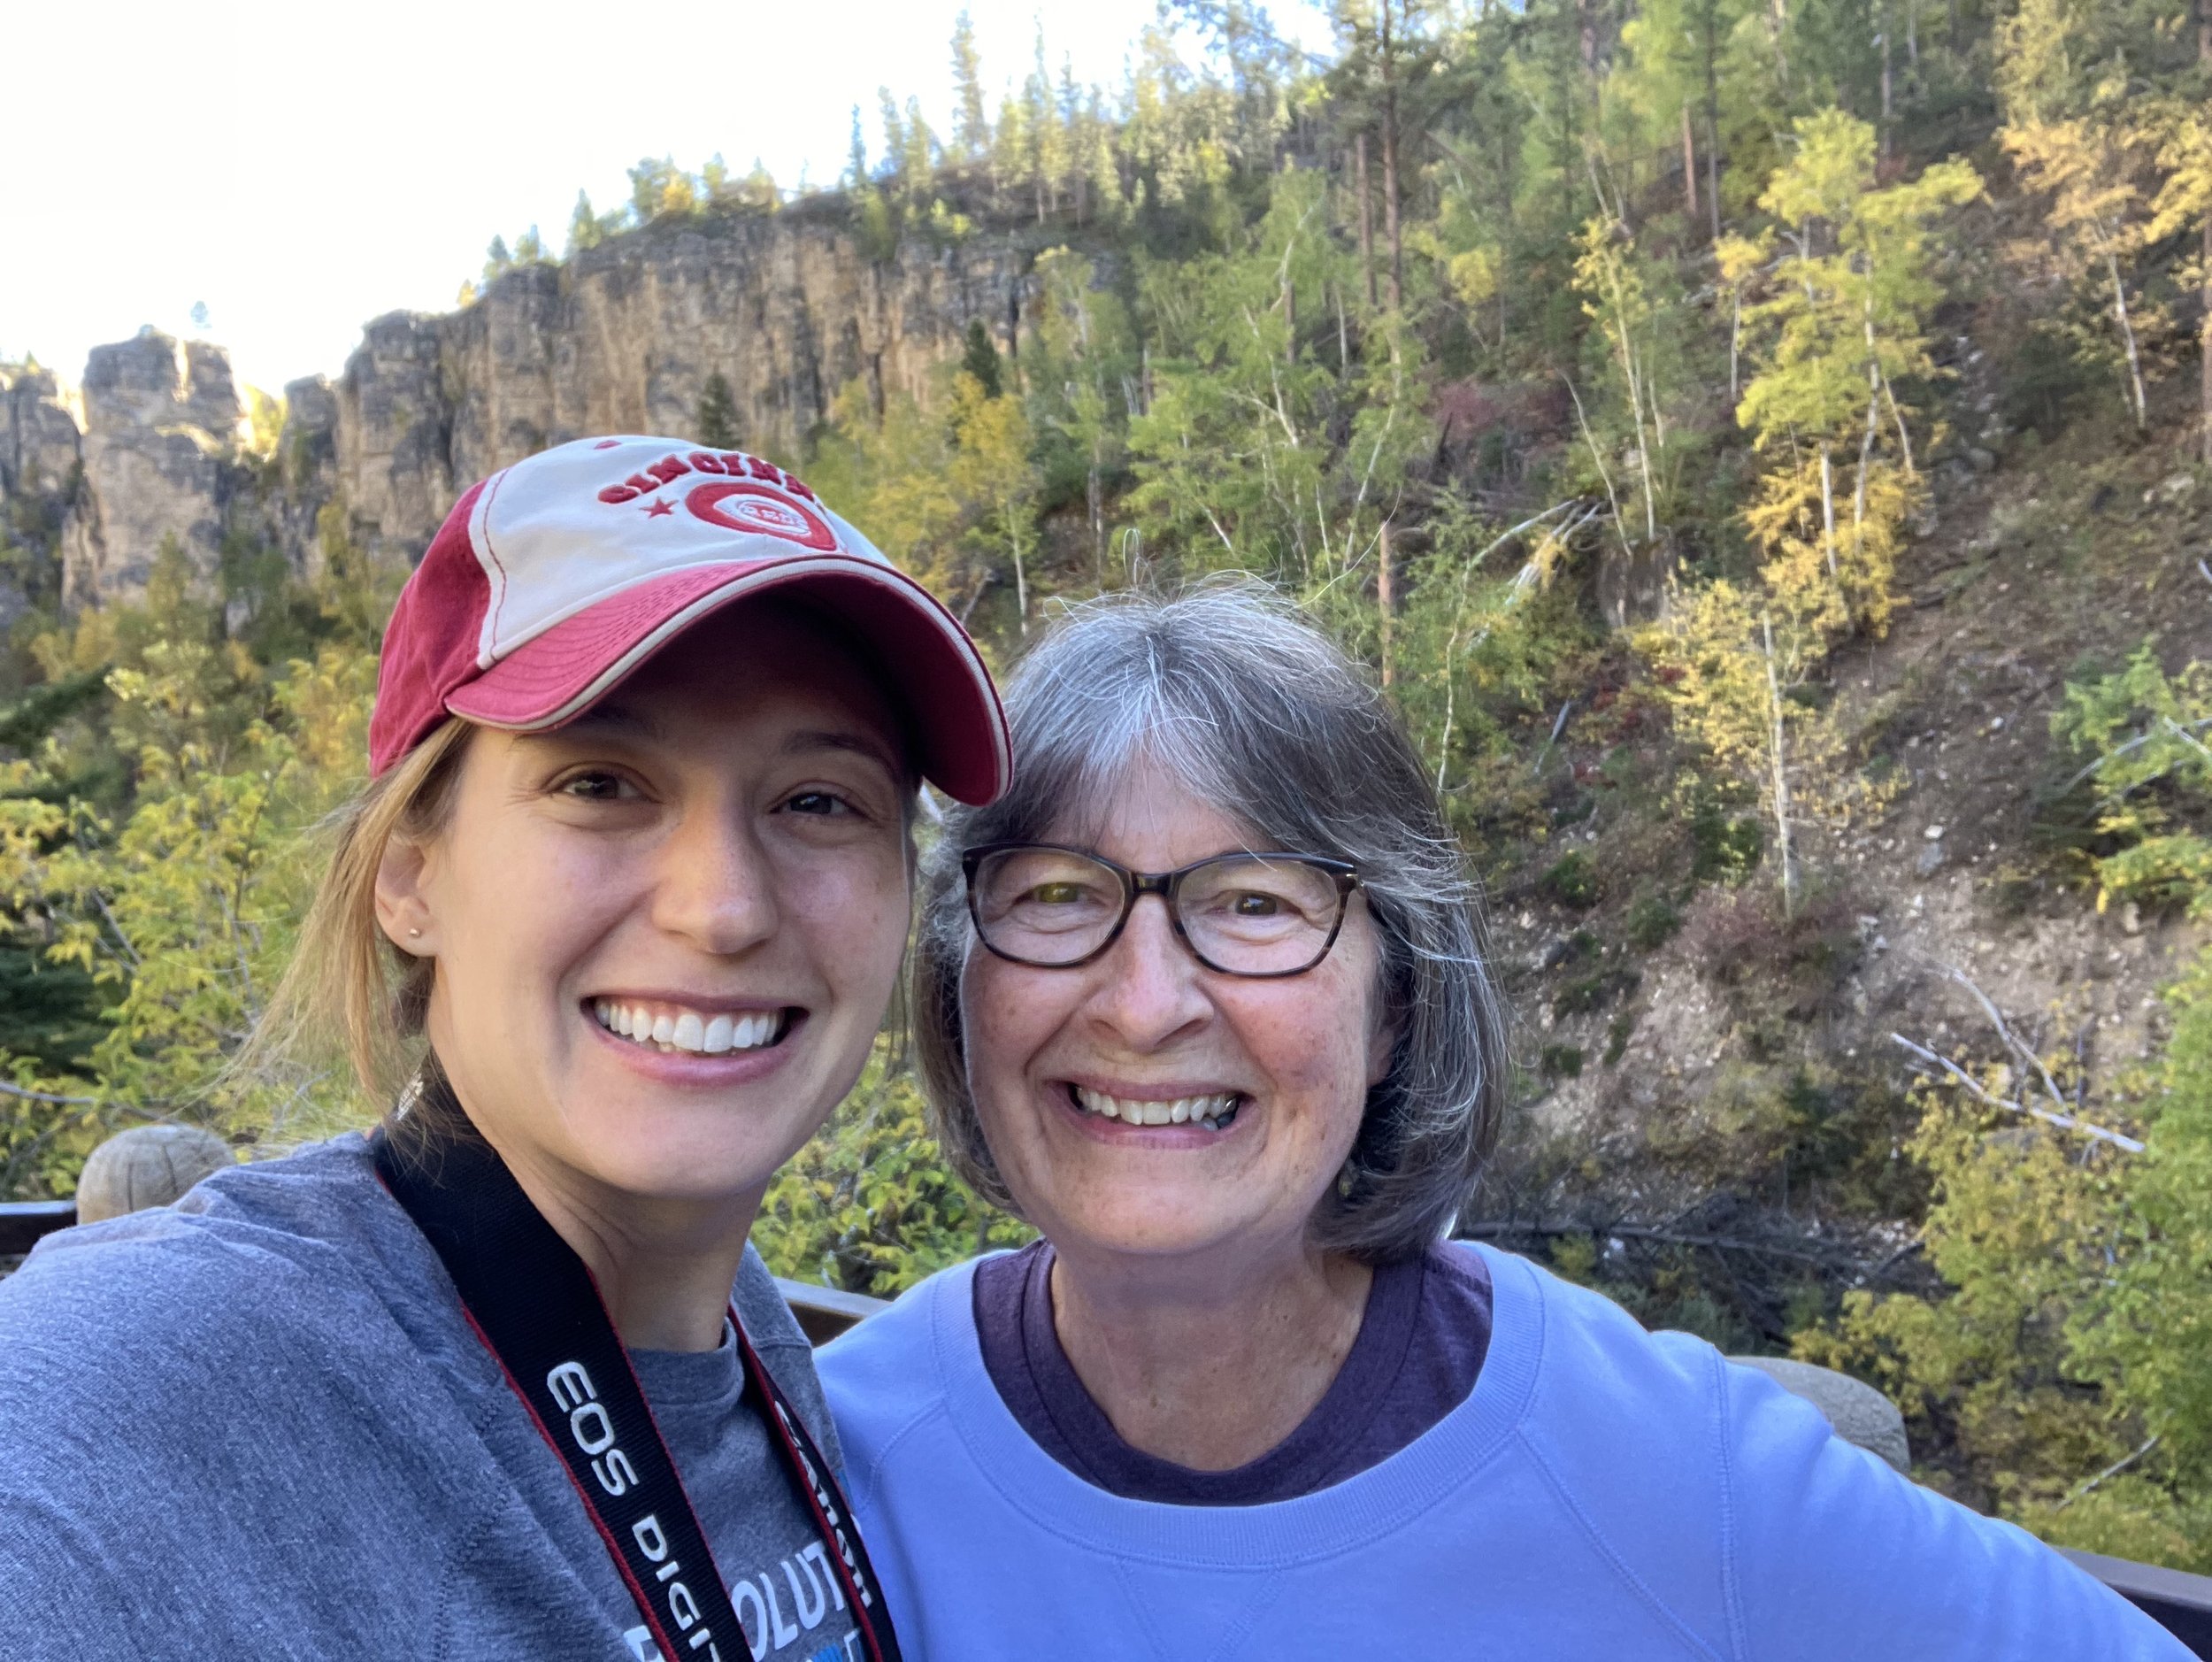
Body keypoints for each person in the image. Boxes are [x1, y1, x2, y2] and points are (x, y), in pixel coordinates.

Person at [818, 581, 2187, 1659]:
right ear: (958, 983)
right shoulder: (823, 1469)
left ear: (1396, 1006)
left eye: (1257, 902)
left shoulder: (1654, 1466)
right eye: (1058, 894)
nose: (1146, 1000)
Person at [0, 435, 1008, 1661]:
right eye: (600, 783)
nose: (724, 908)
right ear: (410, 876)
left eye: (817, 801)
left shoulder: (748, 1342)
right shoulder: (157, 1384)